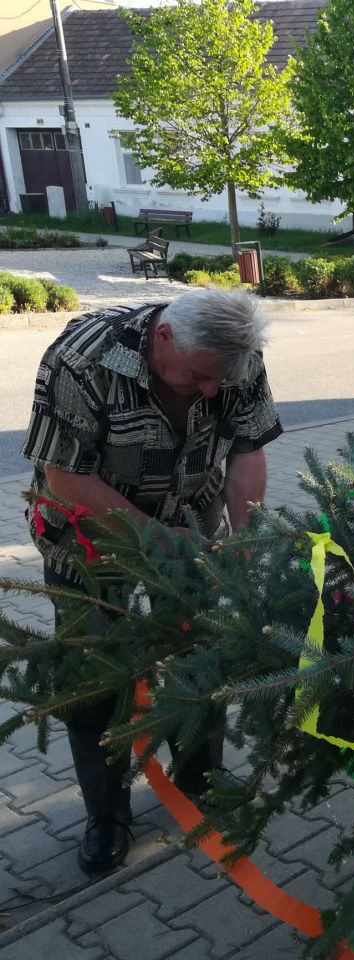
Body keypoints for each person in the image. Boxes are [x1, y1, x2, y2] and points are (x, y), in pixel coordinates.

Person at [22, 288, 281, 874]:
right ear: (164, 338)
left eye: (221, 380)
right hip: (88, 538)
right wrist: (158, 538)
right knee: (96, 676)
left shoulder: (235, 356)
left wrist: (241, 545)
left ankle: (200, 775)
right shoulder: (81, 360)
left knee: (199, 658)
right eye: (199, 376)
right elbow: (65, 477)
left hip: (193, 519)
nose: (212, 391)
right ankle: (107, 813)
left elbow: (248, 451)